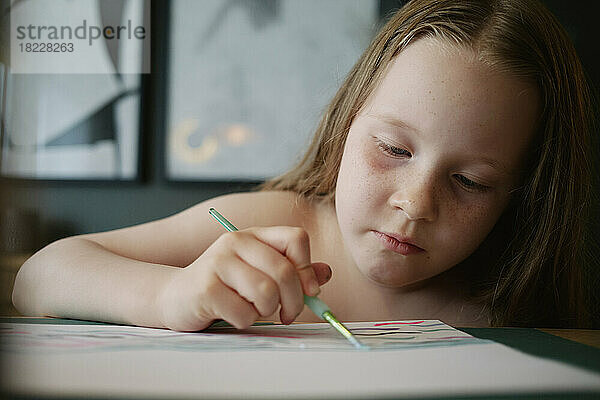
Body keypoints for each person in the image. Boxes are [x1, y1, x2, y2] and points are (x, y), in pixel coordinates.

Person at [12, 0, 595, 330]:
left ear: (524, 194)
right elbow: (40, 274)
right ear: (346, 126)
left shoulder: (513, 305)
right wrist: (171, 294)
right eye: (393, 149)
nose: (415, 204)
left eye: (471, 182)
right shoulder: (267, 223)